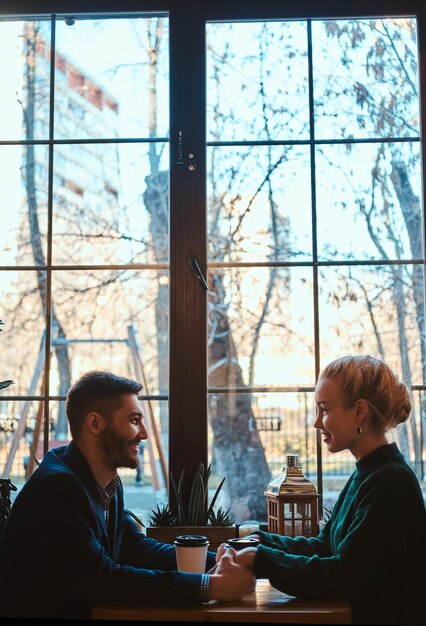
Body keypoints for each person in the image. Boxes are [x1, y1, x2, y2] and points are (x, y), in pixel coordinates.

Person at [0, 371, 255, 619]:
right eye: (134, 420)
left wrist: (217, 561)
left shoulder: (103, 481)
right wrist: (210, 586)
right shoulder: (56, 489)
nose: (143, 433)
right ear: (95, 423)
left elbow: (134, 548)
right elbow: (101, 579)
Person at [216, 355, 426, 626]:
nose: (316, 423)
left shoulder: (390, 481)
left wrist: (262, 560)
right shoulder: (368, 473)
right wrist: (259, 541)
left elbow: (347, 577)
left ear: (360, 411)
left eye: (324, 409)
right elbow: (325, 546)